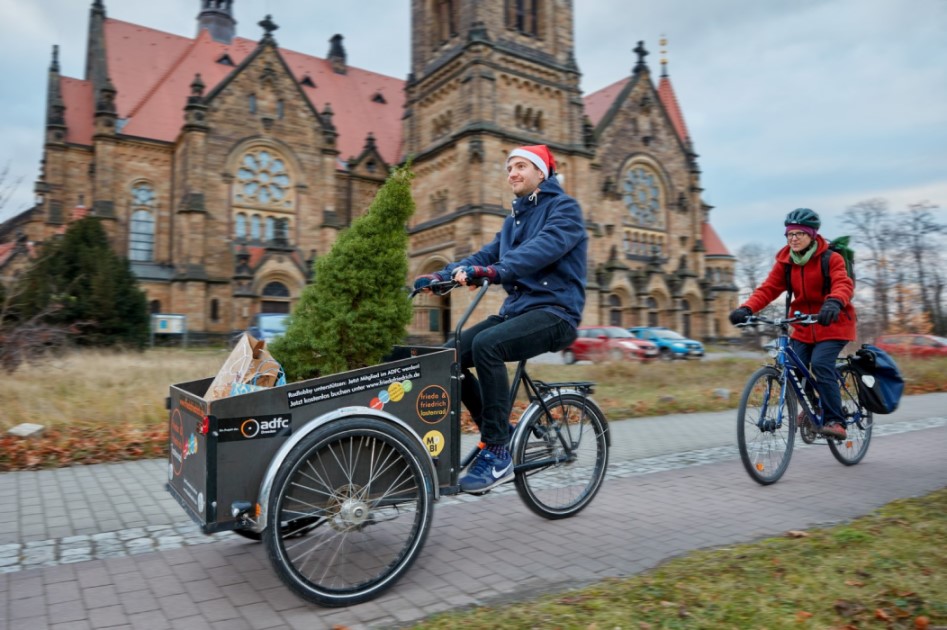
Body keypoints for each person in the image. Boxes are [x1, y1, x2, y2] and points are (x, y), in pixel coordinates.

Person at [414, 144, 588, 493]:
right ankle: (501, 431)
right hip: (519, 312)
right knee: (447, 356)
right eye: (509, 168)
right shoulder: (513, 222)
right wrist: (443, 275)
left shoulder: (564, 209)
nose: (512, 174)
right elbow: (485, 254)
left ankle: (497, 452)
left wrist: (495, 271)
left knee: (487, 345)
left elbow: (542, 249)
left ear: (542, 172)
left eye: (521, 166)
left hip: (556, 313)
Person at [729, 208, 856, 439]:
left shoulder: (831, 258)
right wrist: (746, 308)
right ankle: (813, 406)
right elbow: (768, 289)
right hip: (804, 324)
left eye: (799, 233)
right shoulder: (786, 262)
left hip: (833, 321)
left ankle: (836, 420)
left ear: (812, 235)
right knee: (794, 366)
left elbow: (843, 284)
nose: (793, 238)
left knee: (820, 363)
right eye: (789, 234)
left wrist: (834, 302)